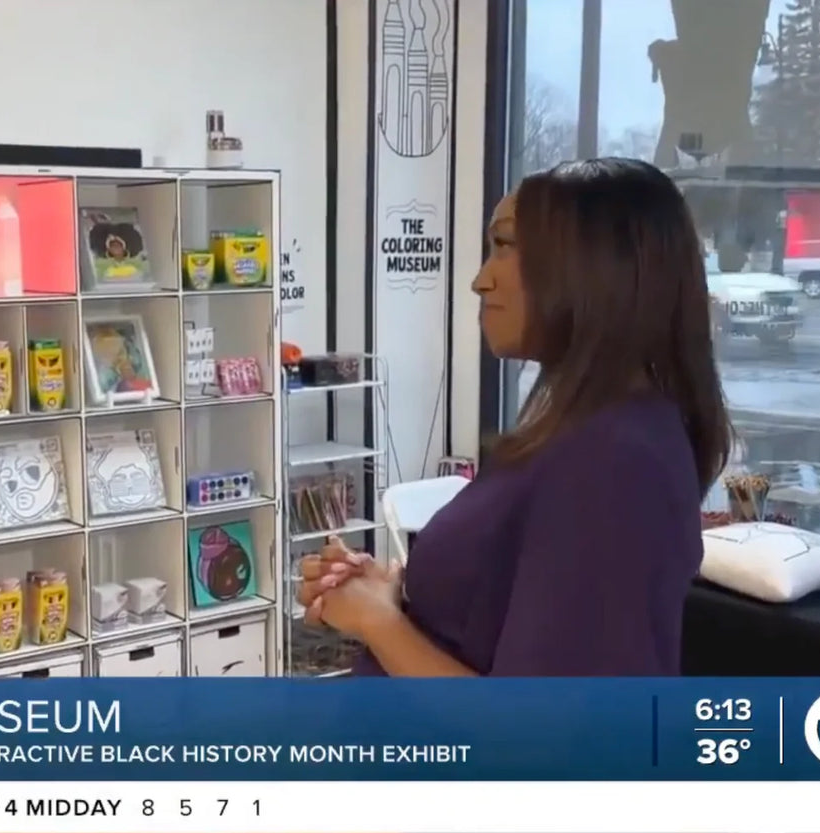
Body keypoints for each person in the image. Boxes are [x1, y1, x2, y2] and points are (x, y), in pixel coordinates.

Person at [300, 158, 731, 676]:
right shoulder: (573, 435)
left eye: (504, 247)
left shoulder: (614, 462)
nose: (481, 282)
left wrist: (378, 622)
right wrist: (397, 598)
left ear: (595, 265)